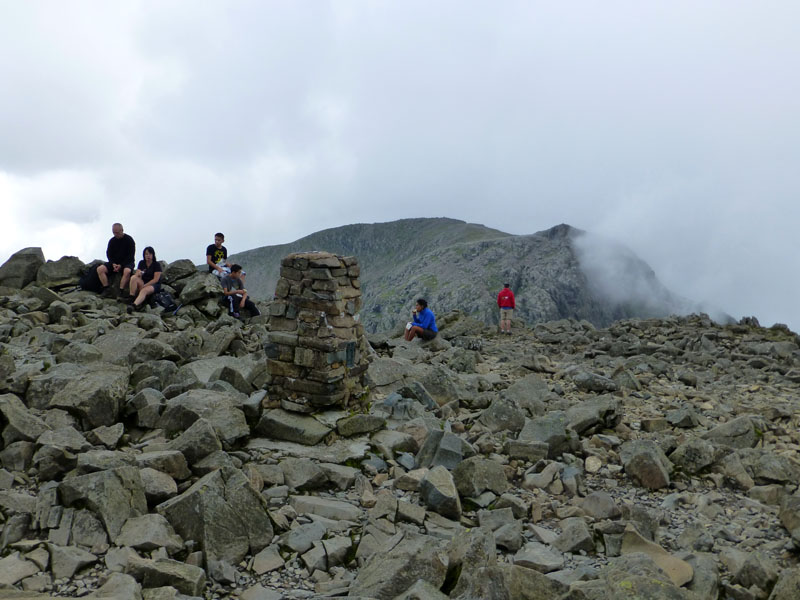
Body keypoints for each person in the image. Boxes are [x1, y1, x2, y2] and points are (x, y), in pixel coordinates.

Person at [97, 223, 135, 298]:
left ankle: (120, 291)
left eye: (117, 232)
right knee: (100, 269)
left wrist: (121, 265)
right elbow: (109, 254)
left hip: (127, 262)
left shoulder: (129, 240)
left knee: (127, 271)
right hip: (114, 263)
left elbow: (131, 255)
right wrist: (113, 264)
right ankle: (106, 289)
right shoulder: (112, 241)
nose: (115, 234)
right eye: (114, 232)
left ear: (122, 230)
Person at [127, 246, 162, 313]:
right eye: (146, 254)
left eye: (150, 254)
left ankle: (134, 305)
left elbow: (156, 279)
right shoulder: (142, 263)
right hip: (143, 282)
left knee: (144, 290)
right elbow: (136, 274)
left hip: (153, 285)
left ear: (153, 255)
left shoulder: (156, 264)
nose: (148, 256)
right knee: (133, 278)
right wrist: (139, 274)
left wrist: (145, 285)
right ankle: (131, 297)